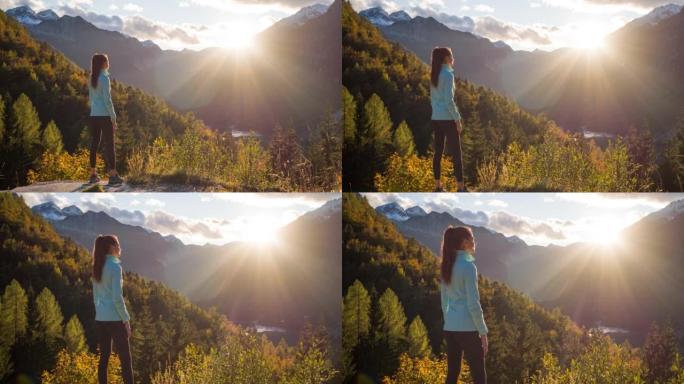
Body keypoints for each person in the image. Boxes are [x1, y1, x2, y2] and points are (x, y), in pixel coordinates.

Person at [440, 226, 488, 384]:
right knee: (479, 376)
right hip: (468, 328)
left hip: (450, 328)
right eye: (472, 238)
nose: (475, 242)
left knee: (452, 374)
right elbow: (473, 303)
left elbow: (444, 300)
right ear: (464, 242)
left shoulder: (446, 265)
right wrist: (483, 332)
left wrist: (450, 320)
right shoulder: (468, 267)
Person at [92, 235, 133, 384]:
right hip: (115, 319)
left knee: (104, 358)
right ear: (111, 247)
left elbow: (95, 297)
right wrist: (126, 320)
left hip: (100, 319)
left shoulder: (97, 266)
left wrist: (100, 313)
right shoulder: (115, 267)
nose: (120, 248)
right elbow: (117, 297)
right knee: (126, 360)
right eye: (118, 245)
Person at [430, 47, 466, 192]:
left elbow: (433, 99)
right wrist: (457, 119)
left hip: (436, 118)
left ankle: (438, 186)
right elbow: (448, 100)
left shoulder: (434, 74)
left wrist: (436, 113)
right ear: (446, 58)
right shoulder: (448, 75)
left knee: (438, 152)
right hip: (447, 118)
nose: (453, 58)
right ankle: (461, 188)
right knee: (456, 153)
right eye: (451, 55)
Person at [89, 54, 124, 186]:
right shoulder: (104, 78)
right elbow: (107, 100)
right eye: (106, 60)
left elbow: (91, 98)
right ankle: (113, 175)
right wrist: (113, 118)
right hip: (104, 115)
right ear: (103, 63)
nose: (108, 62)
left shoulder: (91, 78)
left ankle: (93, 174)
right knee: (110, 144)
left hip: (94, 115)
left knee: (94, 143)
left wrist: (94, 110)